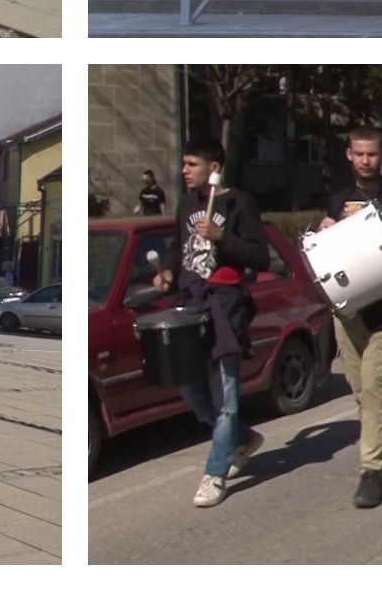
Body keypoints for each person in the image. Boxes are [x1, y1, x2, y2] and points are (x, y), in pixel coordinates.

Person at [151, 138, 269, 508]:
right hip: (191, 300)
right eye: (183, 164)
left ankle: (214, 474)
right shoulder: (187, 203)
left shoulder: (238, 203)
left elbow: (260, 257)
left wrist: (222, 237)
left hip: (225, 304)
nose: (184, 170)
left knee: (226, 397)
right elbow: (177, 245)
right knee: (192, 391)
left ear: (213, 168)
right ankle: (243, 439)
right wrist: (168, 272)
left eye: (192, 164)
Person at [318, 127, 382, 508]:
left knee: (375, 390)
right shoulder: (337, 199)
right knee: (363, 396)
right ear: (349, 155)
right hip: (347, 314)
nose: (365, 160)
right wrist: (323, 232)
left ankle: (373, 472)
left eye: (372, 154)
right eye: (359, 154)